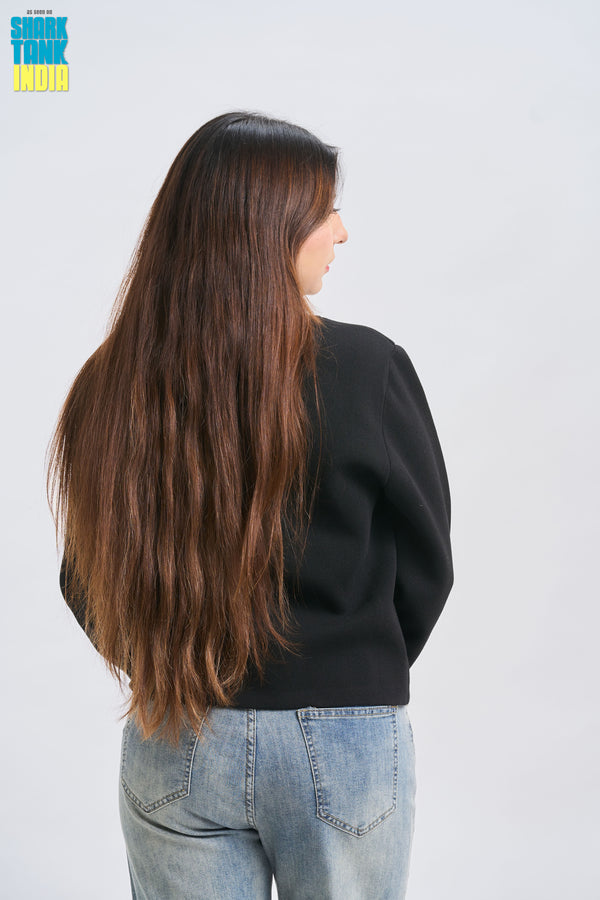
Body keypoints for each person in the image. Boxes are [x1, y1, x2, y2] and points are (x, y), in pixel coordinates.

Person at [46, 110, 454, 900]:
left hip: (178, 730)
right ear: (268, 228)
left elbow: (84, 569)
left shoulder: (112, 380)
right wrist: (348, 665)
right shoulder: (368, 368)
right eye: (324, 210)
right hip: (344, 737)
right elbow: (427, 562)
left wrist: (168, 664)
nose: (342, 231)